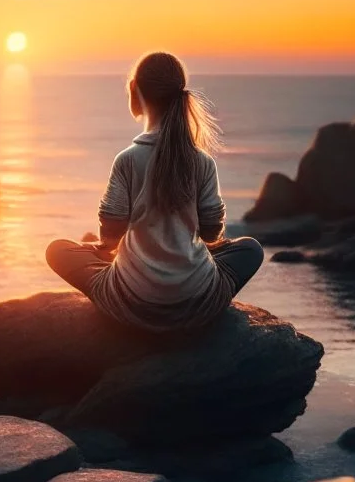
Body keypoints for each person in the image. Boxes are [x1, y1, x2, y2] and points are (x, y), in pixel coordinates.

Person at [46, 52, 264, 331]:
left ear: (134, 90)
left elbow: (111, 233)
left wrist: (107, 250)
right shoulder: (202, 161)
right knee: (250, 249)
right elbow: (211, 233)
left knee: (57, 250)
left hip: (130, 307)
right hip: (197, 307)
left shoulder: (127, 159)